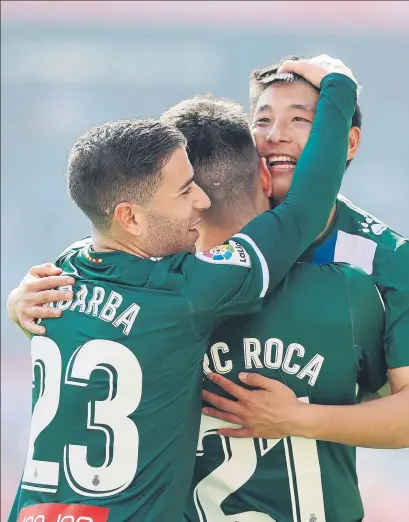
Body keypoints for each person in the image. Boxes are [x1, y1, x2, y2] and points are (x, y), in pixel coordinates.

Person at [6, 60, 358, 522]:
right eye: (185, 190)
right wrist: (340, 87)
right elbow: (305, 210)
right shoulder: (184, 292)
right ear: (130, 217)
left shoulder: (58, 279)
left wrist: (15, 305)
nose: (203, 200)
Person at [201, 55, 409, 451]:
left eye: (300, 120)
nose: (276, 136)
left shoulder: (387, 255)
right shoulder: (201, 225)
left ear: (346, 141)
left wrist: (295, 419)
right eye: (263, 120)